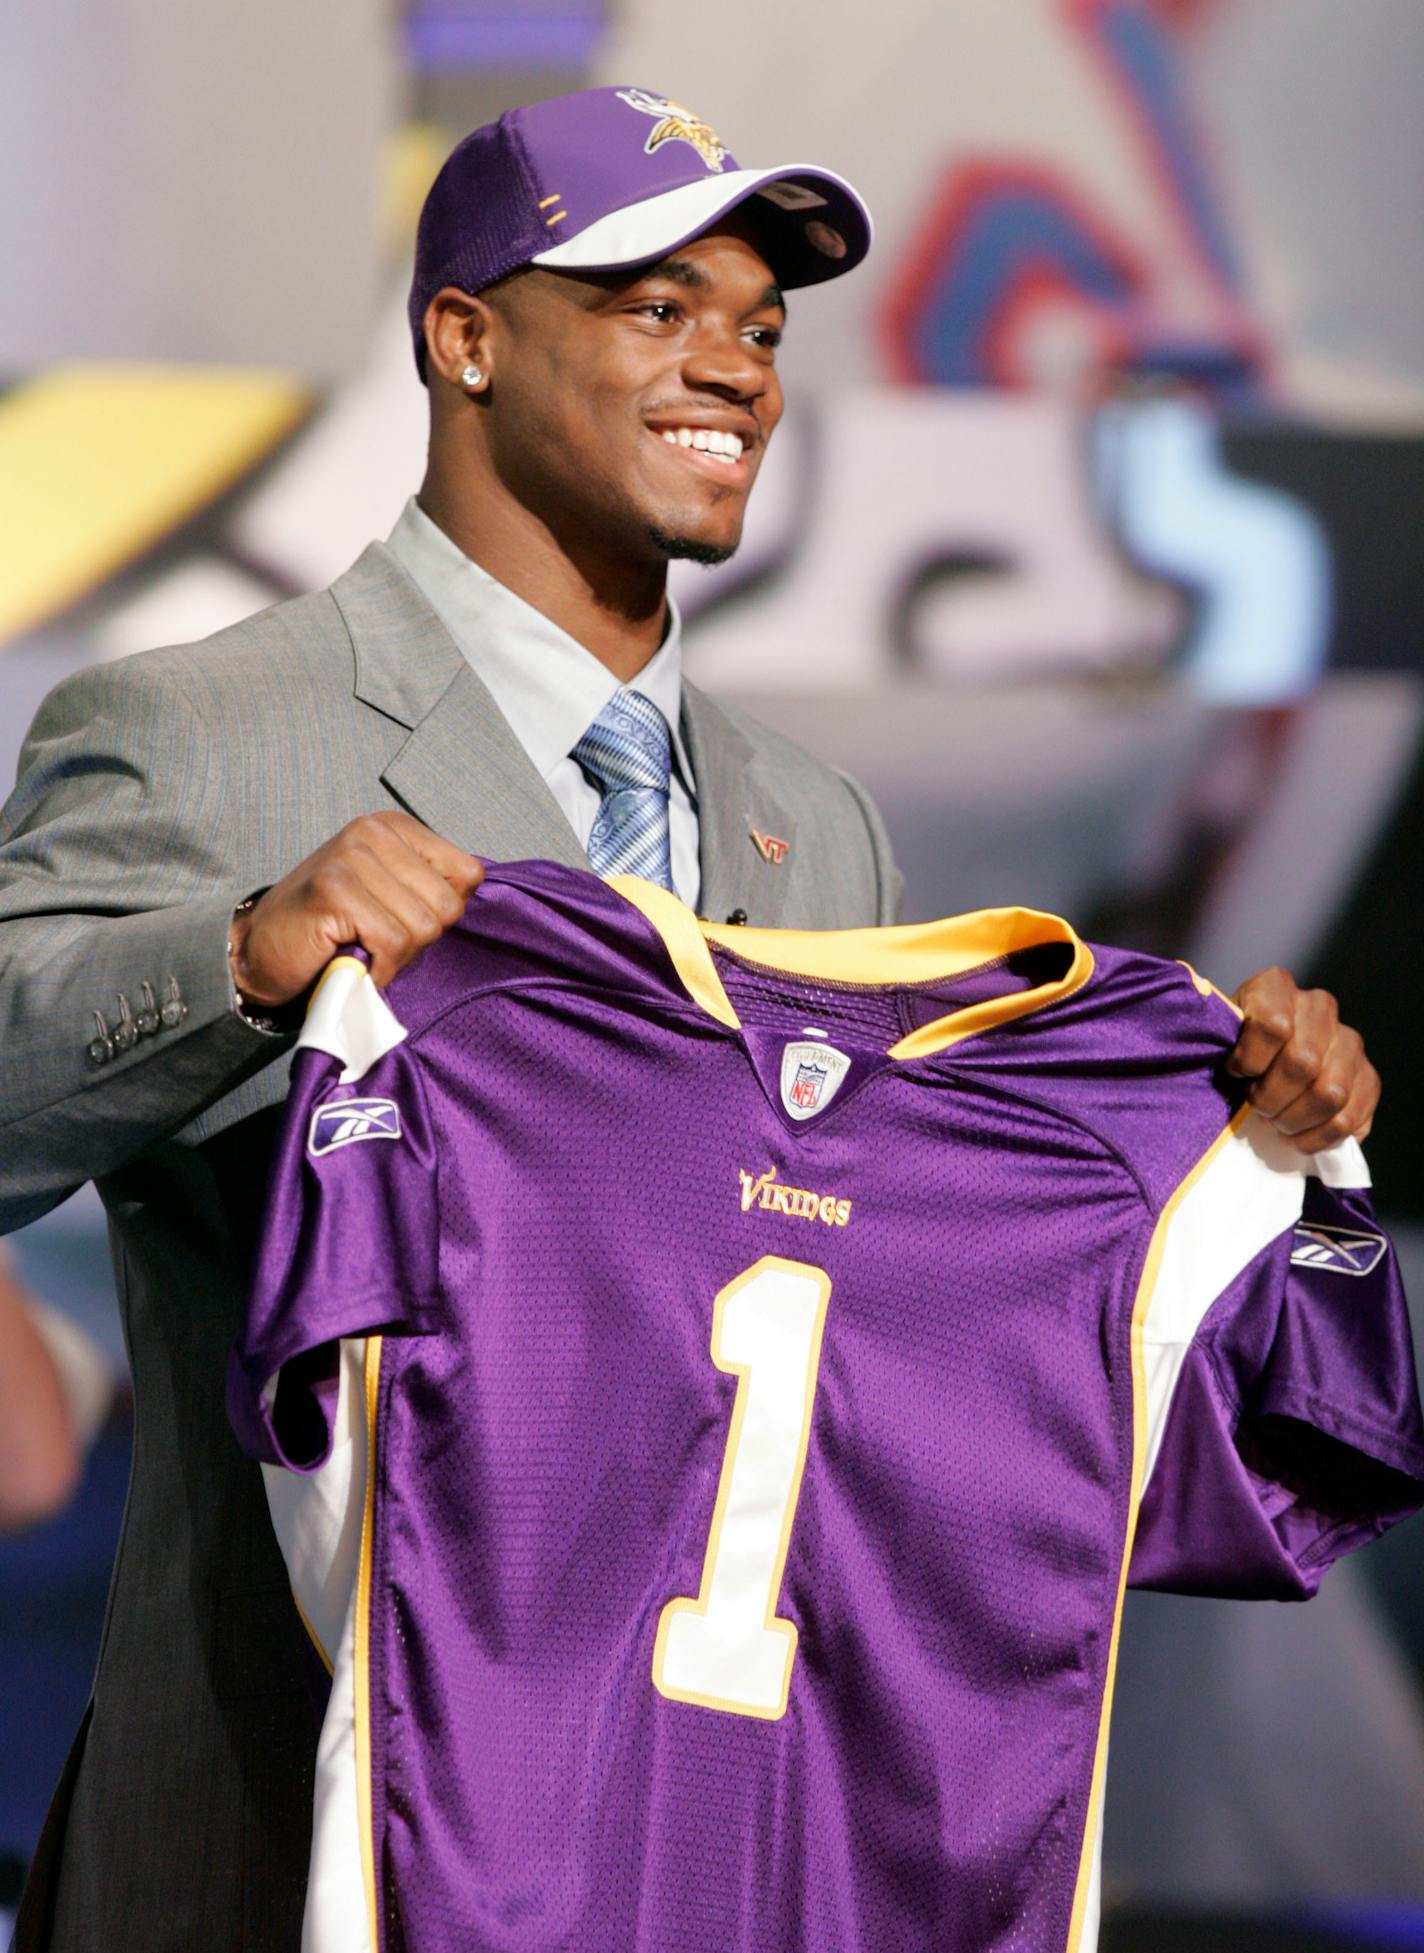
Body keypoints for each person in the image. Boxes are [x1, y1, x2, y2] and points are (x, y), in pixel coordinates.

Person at [0, 85, 1379, 1952]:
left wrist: (1265, 1151)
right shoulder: (202, 726)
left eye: (760, 323)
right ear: (464, 339)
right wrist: (252, 950)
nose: (731, 364)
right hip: (291, 1840)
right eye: (657, 307)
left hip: (726, 1862)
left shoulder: (830, 824)